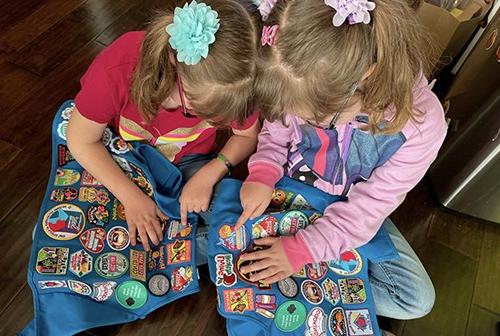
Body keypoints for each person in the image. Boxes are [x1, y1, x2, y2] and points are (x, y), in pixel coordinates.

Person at [236, 0, 447, 322]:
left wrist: (301, 251)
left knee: (414, 300)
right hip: (293, 188)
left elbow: (369, 208)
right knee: (228, 233)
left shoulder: (421, 126)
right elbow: (275, 136)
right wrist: (262, 173)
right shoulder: (294, 73)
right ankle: (308, 281)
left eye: (318, 118)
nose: (304, 121)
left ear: (366, 75)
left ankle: (299, 278)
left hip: (353, 208)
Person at [67, 0, 261, 251]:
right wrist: (132, 198)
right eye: (197, 109)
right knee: (115, 232)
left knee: (235, 223)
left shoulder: (240, 84)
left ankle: (179, 246)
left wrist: (212, 171)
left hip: (190, 162)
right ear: (174, 60)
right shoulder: (117, 68)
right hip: (125, 157)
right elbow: (81, 140)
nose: (215, 122)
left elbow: (246, 135)